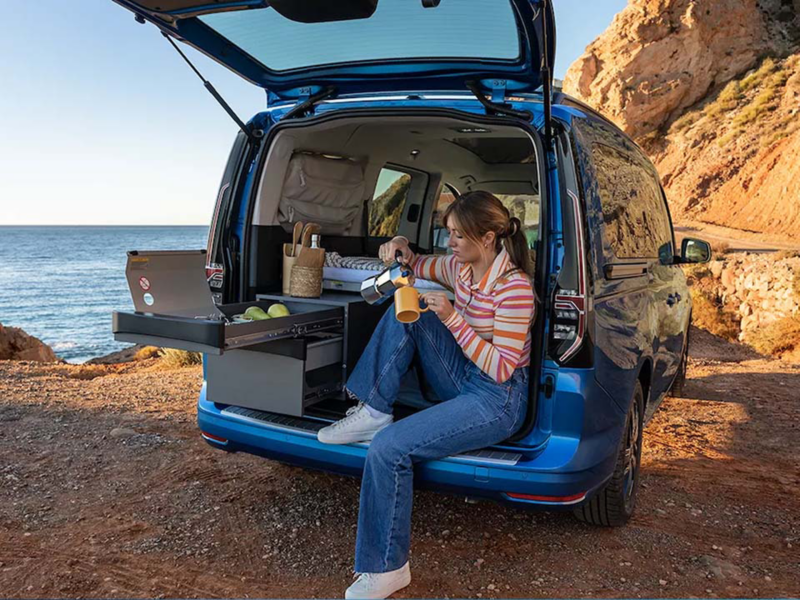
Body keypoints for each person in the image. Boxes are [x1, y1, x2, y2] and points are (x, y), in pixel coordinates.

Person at [317, 191, 538, 599]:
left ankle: (387, 570)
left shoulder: (515, 289)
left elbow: (502, 367)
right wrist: (402, 247)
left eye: (457, 234)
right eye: (448, 232)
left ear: (487, 238)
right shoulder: (460, 267)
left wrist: (453, 318)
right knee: (409, 306)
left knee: (387, 450)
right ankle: (375, 407)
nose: (449, 241)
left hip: (497, 398)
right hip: (465, 375)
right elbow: (418, 262)